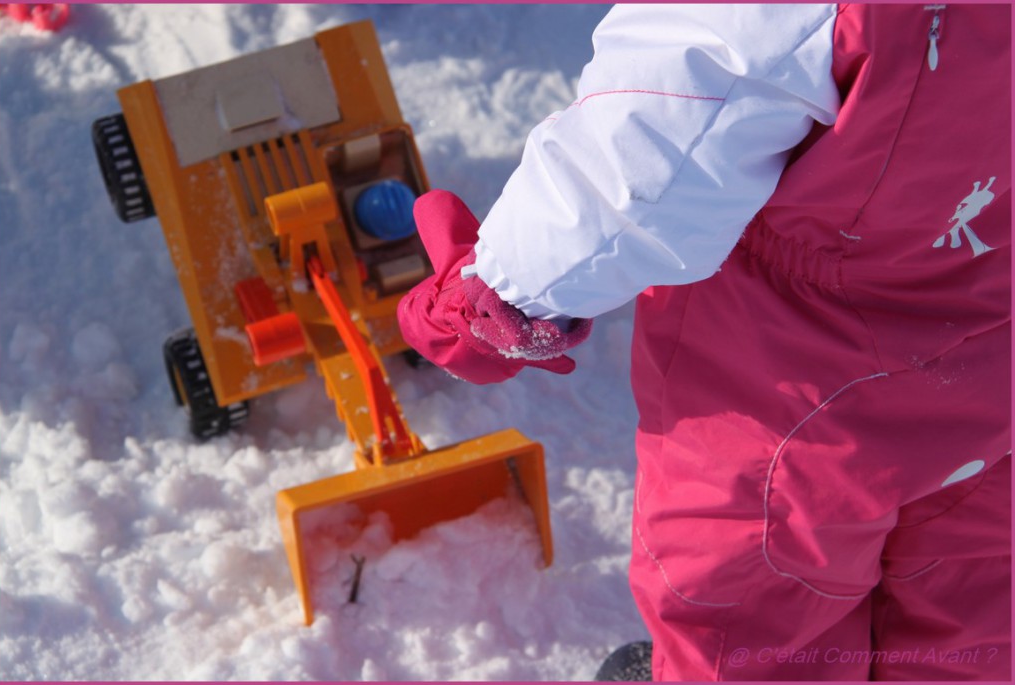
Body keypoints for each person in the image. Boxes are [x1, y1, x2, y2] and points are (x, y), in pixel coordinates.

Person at [398, 4, 1011, 681]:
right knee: (974, 608)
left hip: (791, 391)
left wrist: (493, 299)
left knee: (758, 623)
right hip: (992, 369)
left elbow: (647, 159)